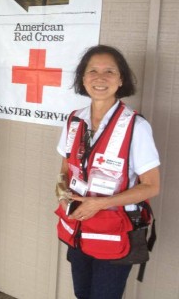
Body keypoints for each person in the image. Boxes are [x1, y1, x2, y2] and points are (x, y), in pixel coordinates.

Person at [55, 45, 160, 299]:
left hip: (114, 234)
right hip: (78, 227)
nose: (100, 78)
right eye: (92, 70)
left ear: (120, 79)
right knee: (82, 294)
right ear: (83, 78)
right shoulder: (74, 120)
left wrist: (101, 204)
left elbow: (151, 186)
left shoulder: (136, 126)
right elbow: (64, 169)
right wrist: (61, 192)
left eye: (109, 71)